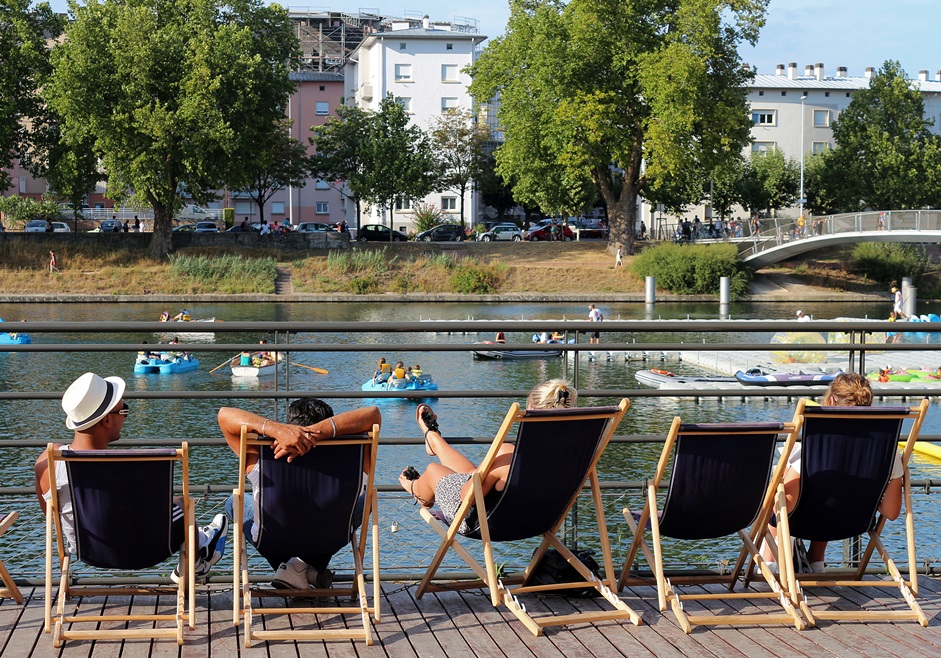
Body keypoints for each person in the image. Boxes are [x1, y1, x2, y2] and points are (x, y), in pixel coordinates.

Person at [34, 373, 228, 580]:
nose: (125, 417)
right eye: (123, 410)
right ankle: (199, 552)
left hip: (89, 551)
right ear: (107, 420)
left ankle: (202, 548)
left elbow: (52, 519)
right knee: (183, 505)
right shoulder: (136, 465)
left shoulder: (47, 462)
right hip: (149, 551)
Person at [217, 400, 382, 589]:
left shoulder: (266, 453)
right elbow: (373, 414)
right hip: (329, 538)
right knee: (367, 502)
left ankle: (291, 567)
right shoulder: (355, 456)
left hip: (273, 540)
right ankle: (304, 566)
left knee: (234, 501)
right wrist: (320, 433)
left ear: (290, 425)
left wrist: (277, 430)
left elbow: (224, 415)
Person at [398, 380, 577, 532]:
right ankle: (433, 439)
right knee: (478, 473)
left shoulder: (508, 453)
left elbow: (467, 496)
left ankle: (417, 489)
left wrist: (464, 480)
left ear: (529, 412)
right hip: (538, 522)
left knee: (434, 470)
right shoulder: (574, 456)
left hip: (484, 523)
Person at [763, 374, 897, 574]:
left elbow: (784, 505)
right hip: (855, 523)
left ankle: (771, 559)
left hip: (808, 521)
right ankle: (816, 559)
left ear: (832, 400)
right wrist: (868, 500)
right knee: (834, 490)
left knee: (781, 495)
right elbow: (892, 512)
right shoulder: (888, 452)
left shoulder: (816, 451)